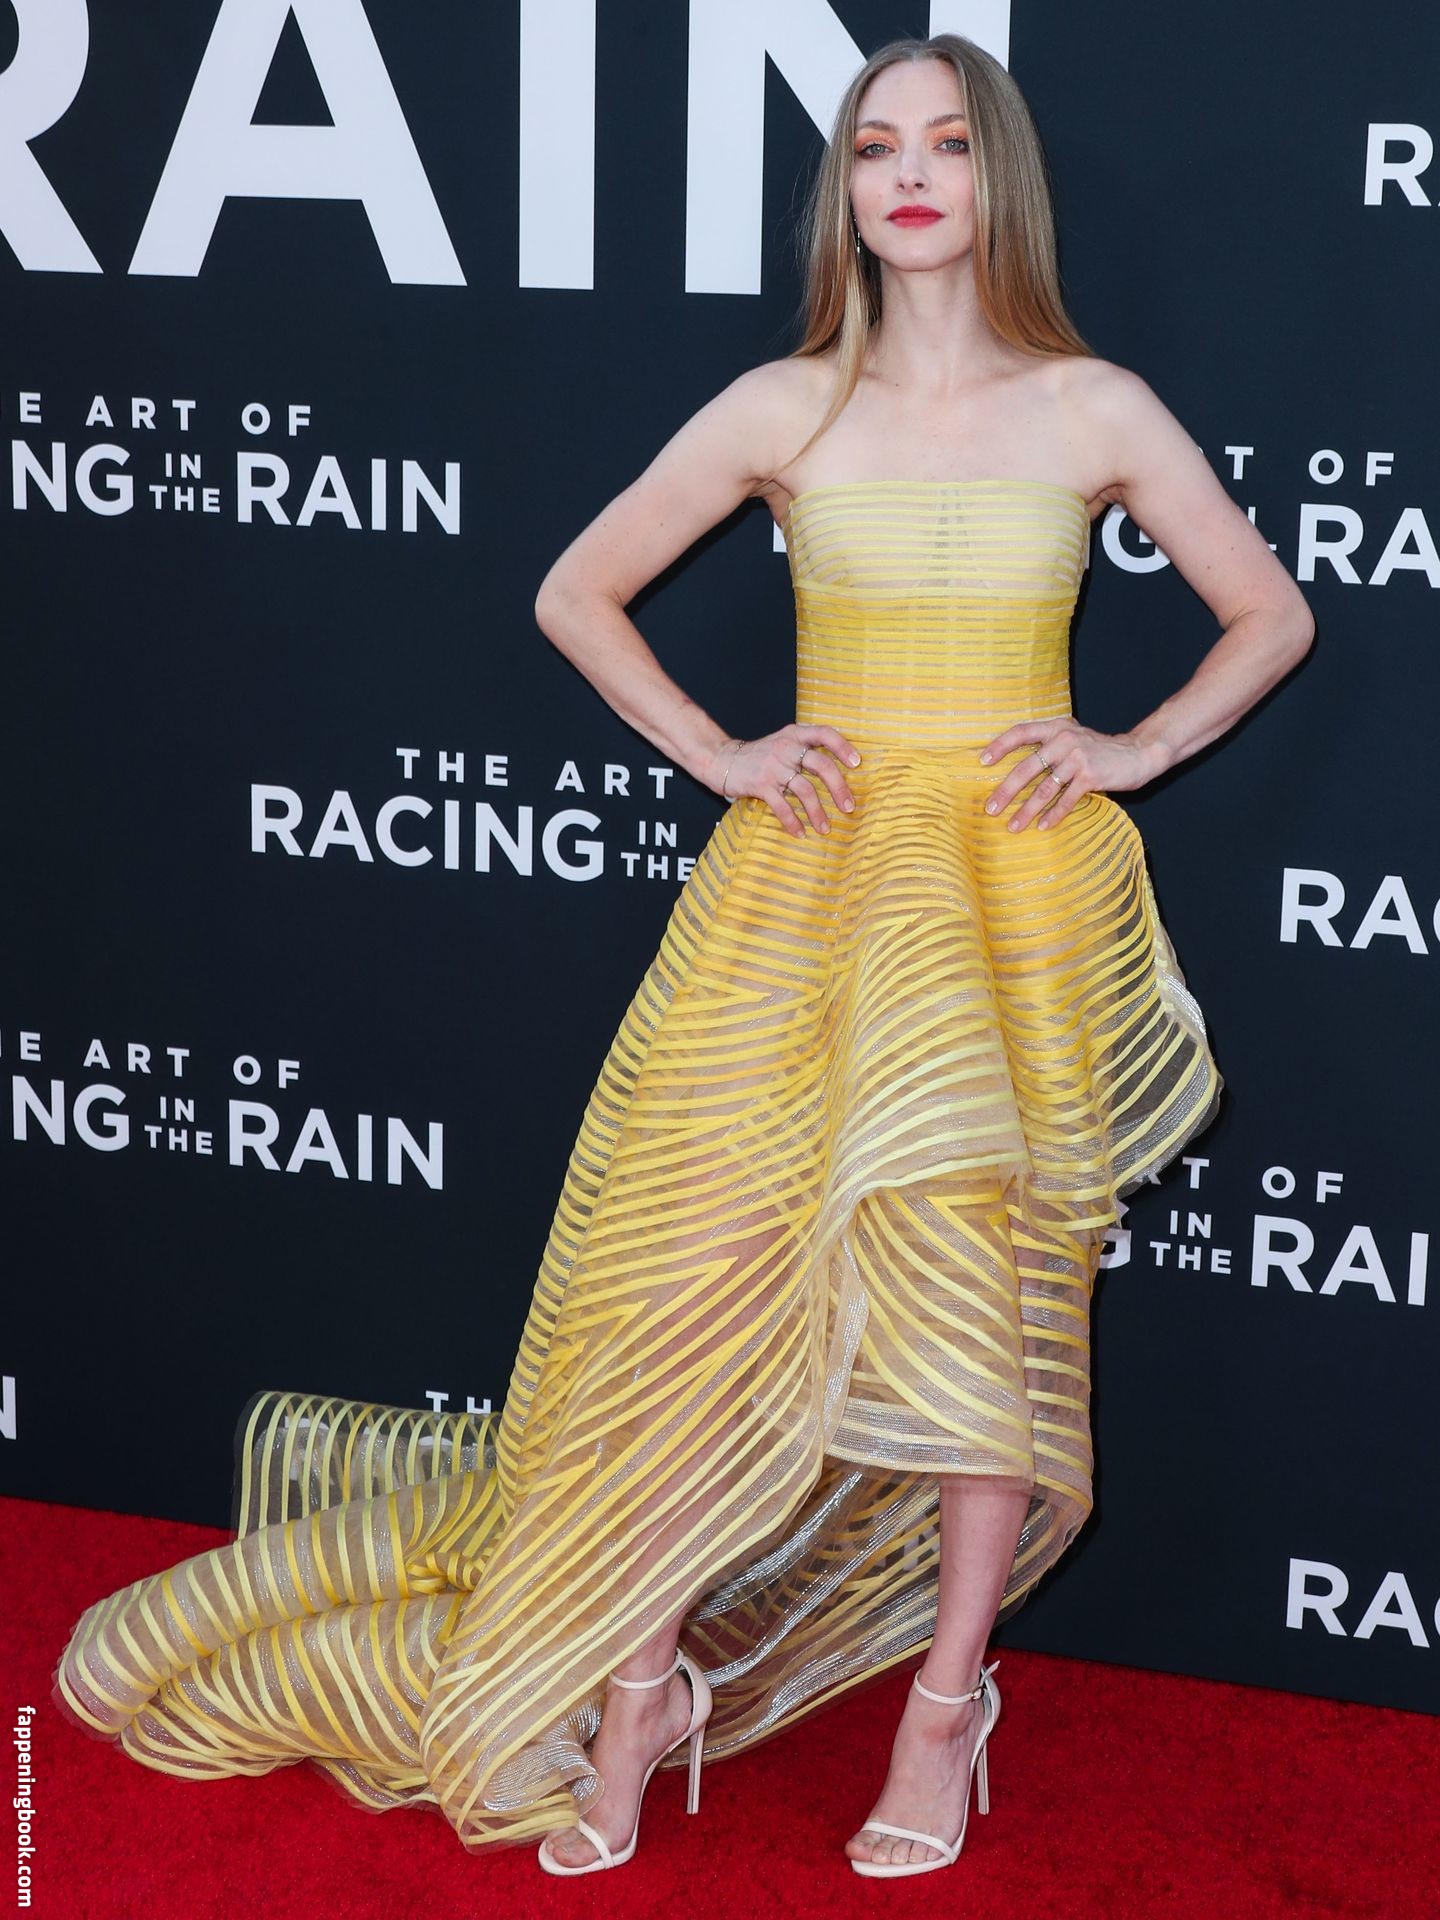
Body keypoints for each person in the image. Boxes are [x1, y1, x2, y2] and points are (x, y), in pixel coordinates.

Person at [52, 30, 1312, 1884]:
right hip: (798, 902)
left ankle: (945, 1707)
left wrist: (1133, 746)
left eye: (947, 145)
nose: (909, 177)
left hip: (1009, 914)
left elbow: (1270, 611)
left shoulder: (1094, 408)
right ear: (846, 191)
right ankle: (641, 1687)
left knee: (995, 1315)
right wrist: (720, 750)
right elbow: (574, 589)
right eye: (875, 147)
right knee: (689, 1302)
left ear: (998, 179)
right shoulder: (783, 406)